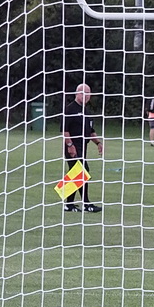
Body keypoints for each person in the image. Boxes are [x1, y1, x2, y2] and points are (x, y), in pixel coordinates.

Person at [61, 83, 103, 213]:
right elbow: (64, 130)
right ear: (77, 93)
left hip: (83, 147)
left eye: (88, 93)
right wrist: (70, 145)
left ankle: (69, 204)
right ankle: (86, 203)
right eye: (83, 93)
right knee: (83, 171)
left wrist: (98, 143)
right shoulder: (70, 109)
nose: (86, 96)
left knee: (76, 174)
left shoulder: (86, 111)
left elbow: (90, 130)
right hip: (72, 147)